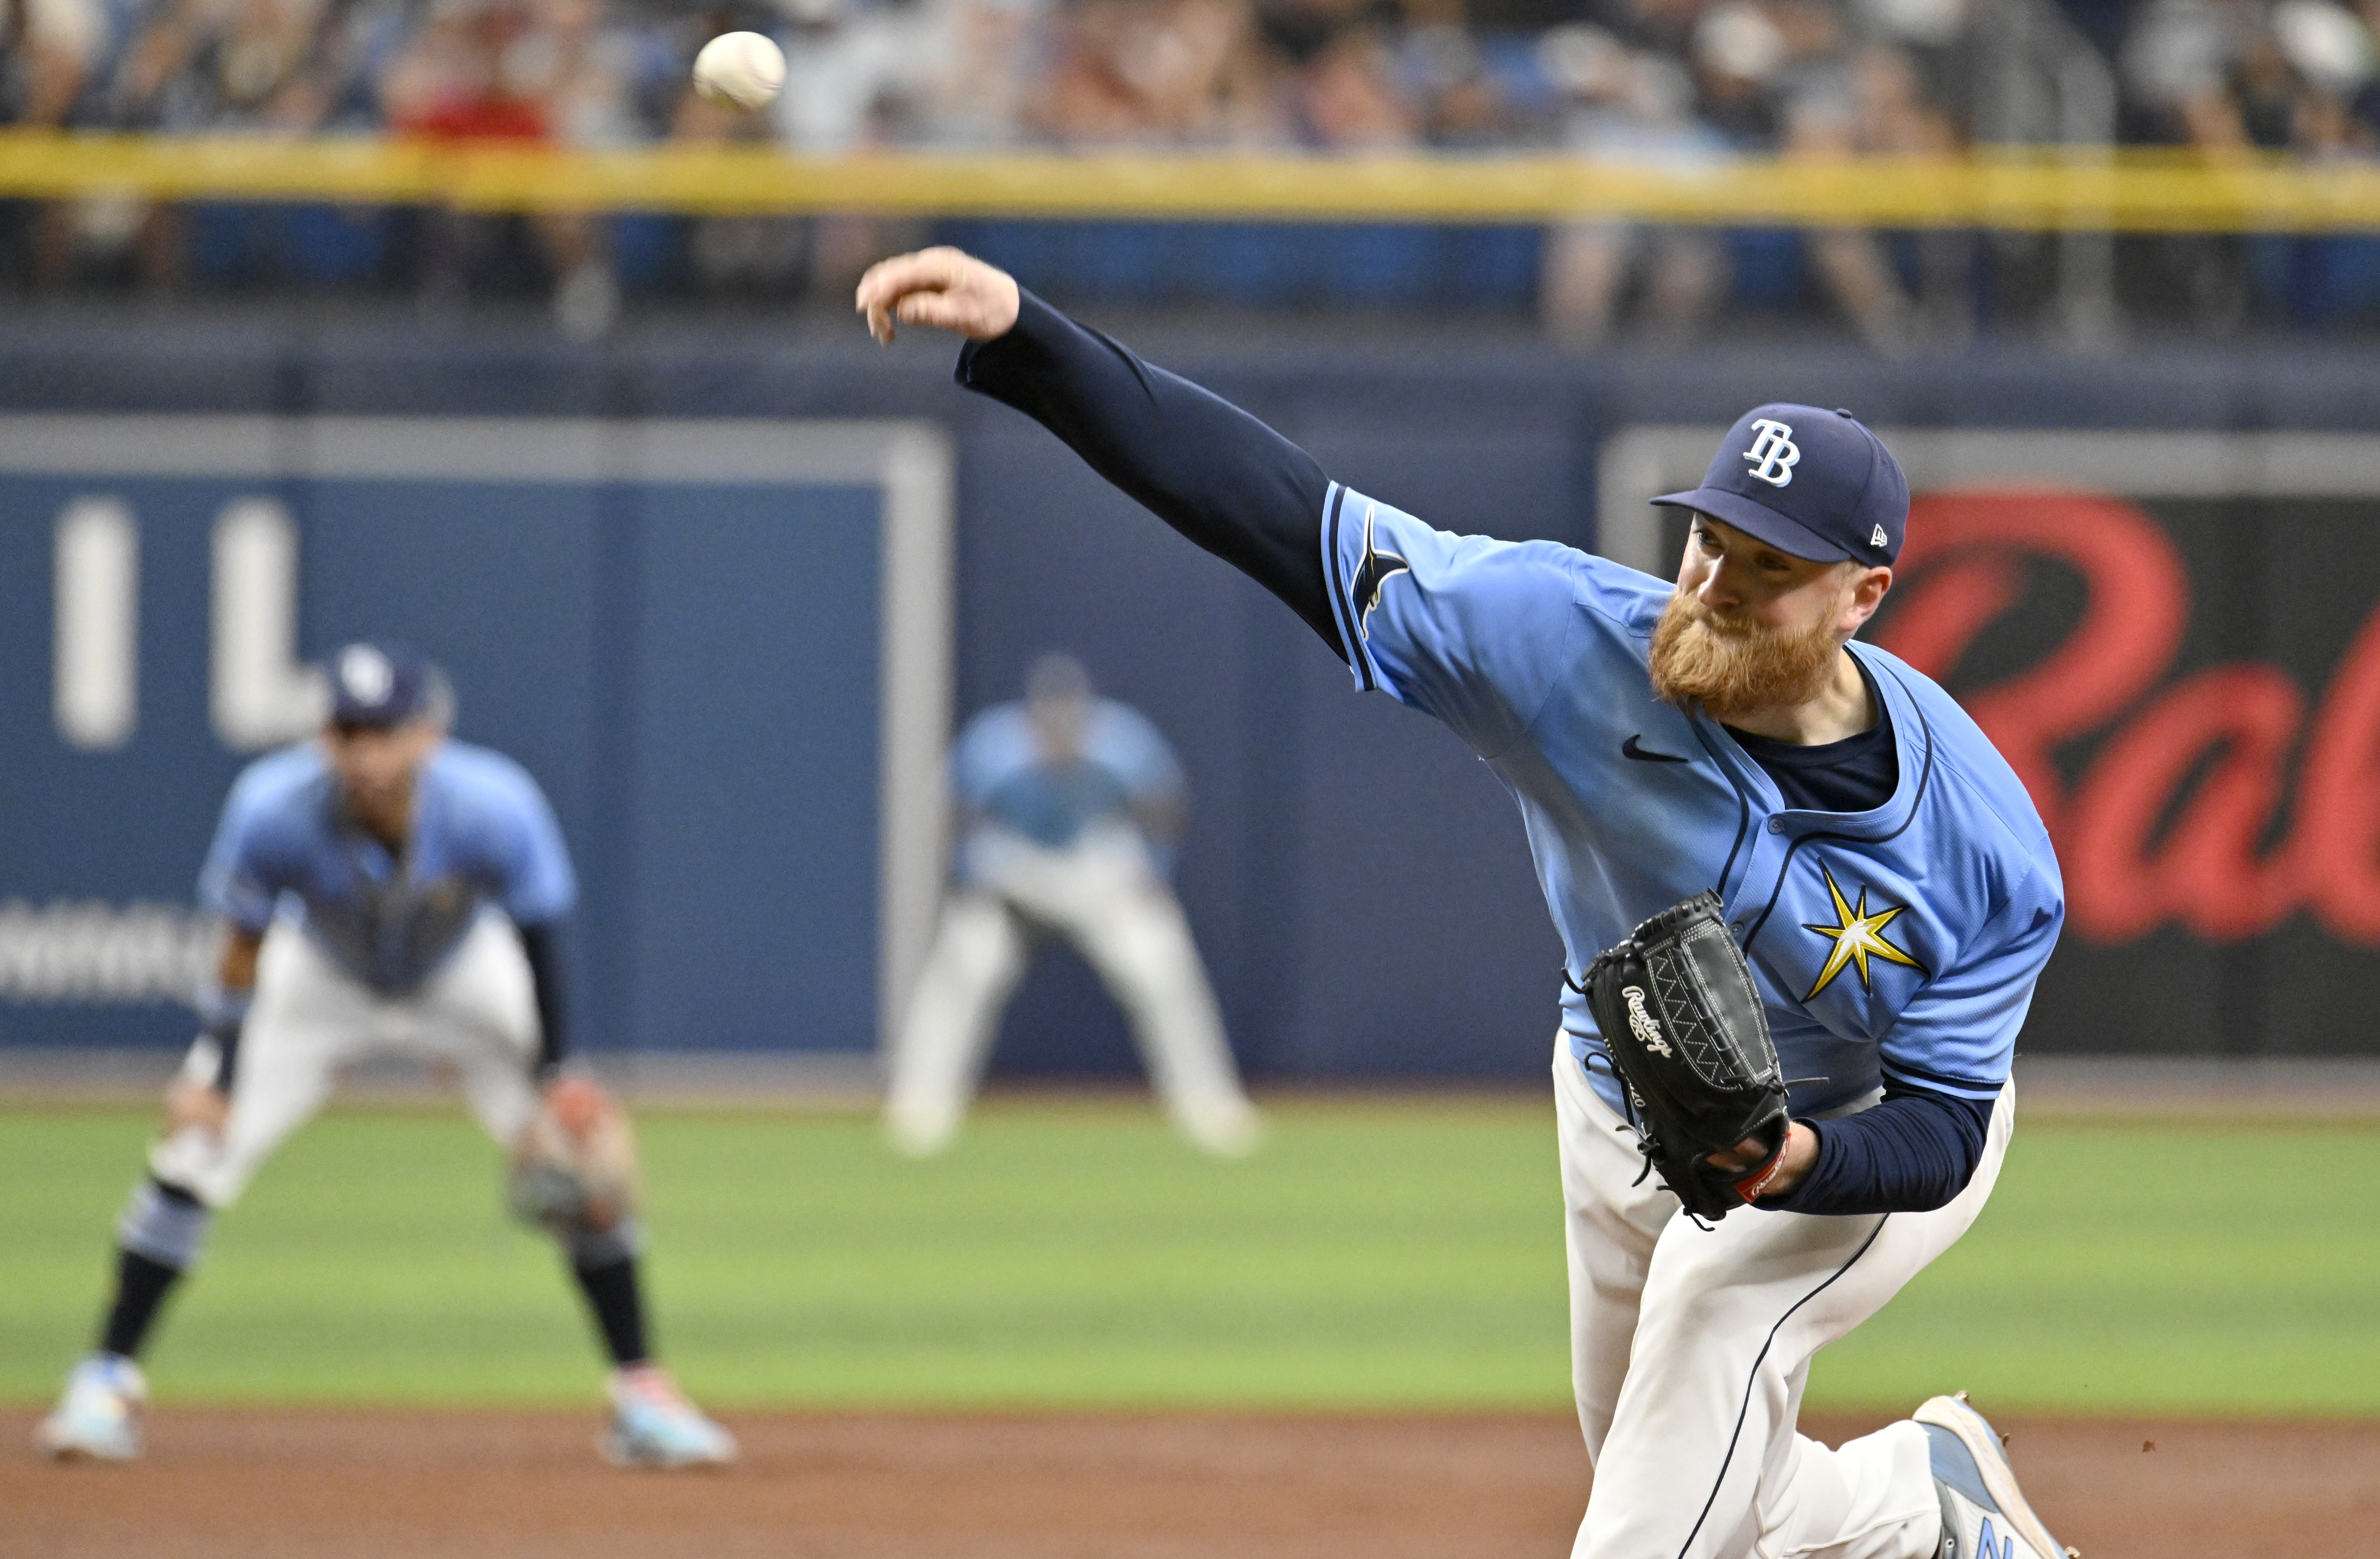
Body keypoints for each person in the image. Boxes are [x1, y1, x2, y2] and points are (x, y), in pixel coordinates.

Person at [854, 248, 2075, 1559]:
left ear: (1862, 596)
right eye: (1707, 540)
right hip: (1617, 1103)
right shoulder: (1558, 637)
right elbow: (1275, 510)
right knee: (1725, 1496)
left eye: (1766, 567)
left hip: (1852, 1138)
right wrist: (1034, 340)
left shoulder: (1981, 845)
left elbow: (1945, 1126)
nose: (1713, 585)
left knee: (1672, 1449)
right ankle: (1921, 1499)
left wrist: (1797, 1164)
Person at [35, 642, 736, 1470]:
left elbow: (539, 940)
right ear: (322, 739)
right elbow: (240, 951)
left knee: (583, 1157)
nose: (366, 754)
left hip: (457, 972)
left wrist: (558, 1077)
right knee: (193, 1144)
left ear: (428, 734)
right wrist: (218, 1075)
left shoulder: (494, 802)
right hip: (321, 976)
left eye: (385, 732)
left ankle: (642, 1396)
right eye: (347, 732)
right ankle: (104, 1382)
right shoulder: (272, 806)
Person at [886, 653, 1262, 1158]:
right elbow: (954, 813)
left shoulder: (1122, 743)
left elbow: (1164, 806)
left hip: (1095, 871)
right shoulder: (995, 746)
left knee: (1161, 967)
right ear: (1032, 718)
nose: (1061, 731)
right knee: (966, 969)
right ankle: (921, 1108)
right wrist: (969, 876)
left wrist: (1153, 871)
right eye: (1050, 721)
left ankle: (1209, 1106)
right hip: (1014, 874)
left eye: (1070, 720)